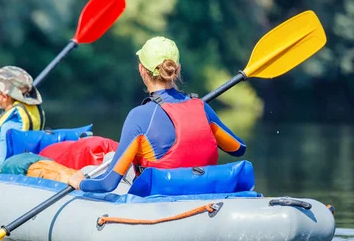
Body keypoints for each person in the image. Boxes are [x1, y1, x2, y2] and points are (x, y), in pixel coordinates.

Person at [68, 36, 246, 192]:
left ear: (141, 70)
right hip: (204, 195)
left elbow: (108, 184)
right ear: (177, 69)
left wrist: (80, 183)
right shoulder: (202, 107)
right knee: (110, 157)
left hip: (159, 201)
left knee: (103, 164)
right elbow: (238, 149)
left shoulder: (139, 116)